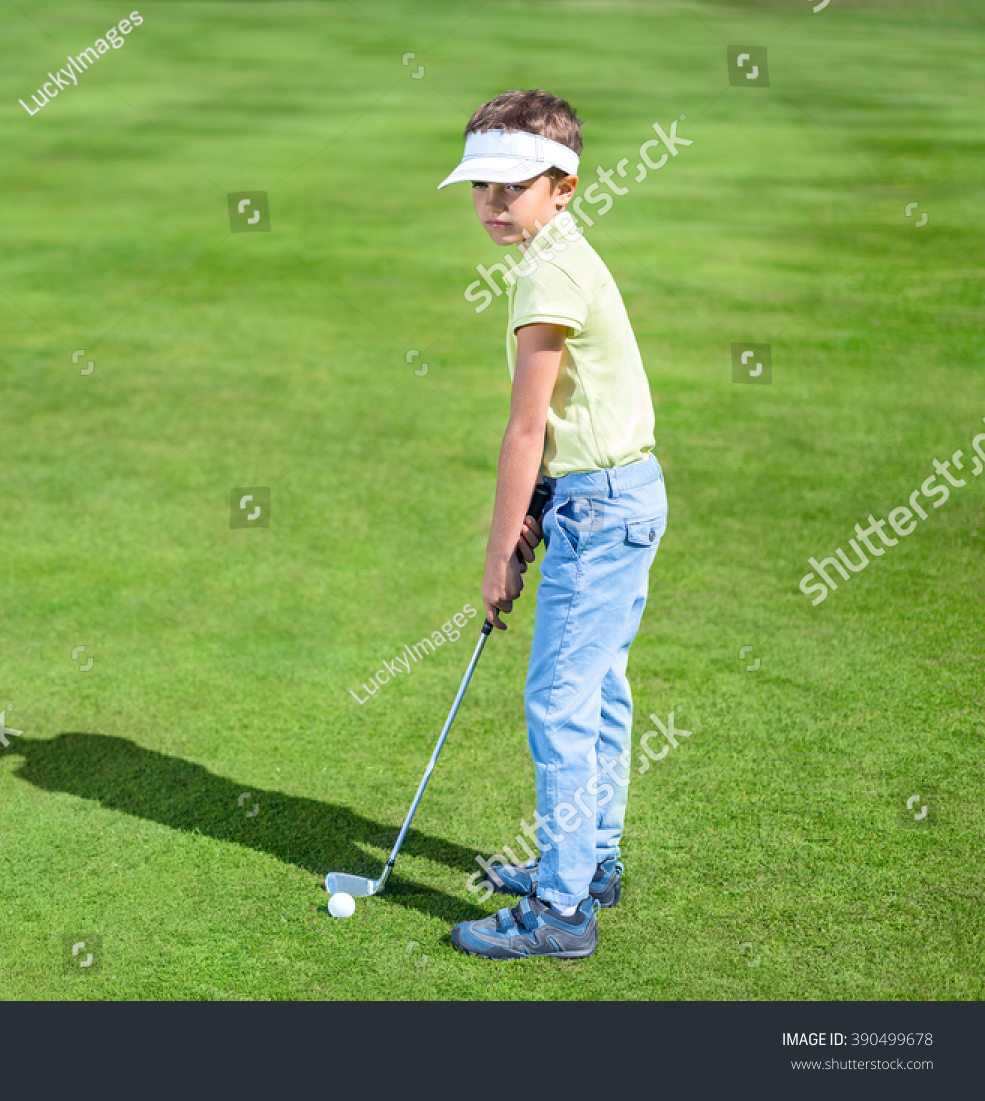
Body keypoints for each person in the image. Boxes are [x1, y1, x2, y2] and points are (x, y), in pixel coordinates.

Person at [438, 89, 666, 959]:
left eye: (514, 186)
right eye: (481, 186)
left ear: (564, 186)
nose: (493, 203)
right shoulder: (560, 253)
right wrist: (539, 502)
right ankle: (591, 861)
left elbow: (526, 426)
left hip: (600, 507)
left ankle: (564, 910)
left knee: (558, 701)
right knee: (597, 689)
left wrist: (499, 549)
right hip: (619, 493)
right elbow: (574, 413)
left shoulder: (547, 273)